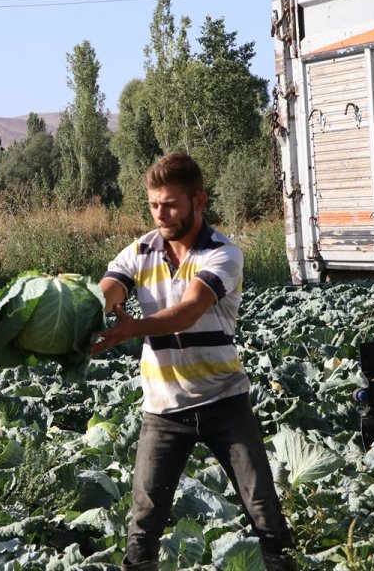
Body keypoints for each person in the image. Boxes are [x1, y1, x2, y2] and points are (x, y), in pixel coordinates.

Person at [91, 152, 297, 571]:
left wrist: (132, 328)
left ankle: (283, 565)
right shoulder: (139, 251)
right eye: (153, 205)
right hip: (164, 408)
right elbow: (110, 289)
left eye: (170, 204)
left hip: (223, 401)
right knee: (144, 518)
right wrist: (90, 310)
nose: (161, 214)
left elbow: (188, 311)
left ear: (198, 200)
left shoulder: (223, 253)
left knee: (262, 506)